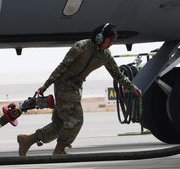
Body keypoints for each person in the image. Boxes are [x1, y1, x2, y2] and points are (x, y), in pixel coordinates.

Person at [17, 23, 142, 156]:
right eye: (110, 40)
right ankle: (59, 150)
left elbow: (117, 74)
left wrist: (132, 87)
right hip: (64, 85)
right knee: (76, 119)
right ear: (100, 37)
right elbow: (62, 67)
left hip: (75, 88)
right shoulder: (81, 47)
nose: (112, 43)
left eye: (113, 41)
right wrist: (46, 85)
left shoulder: (105, 55)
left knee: (60, 124)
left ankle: (27, 140)